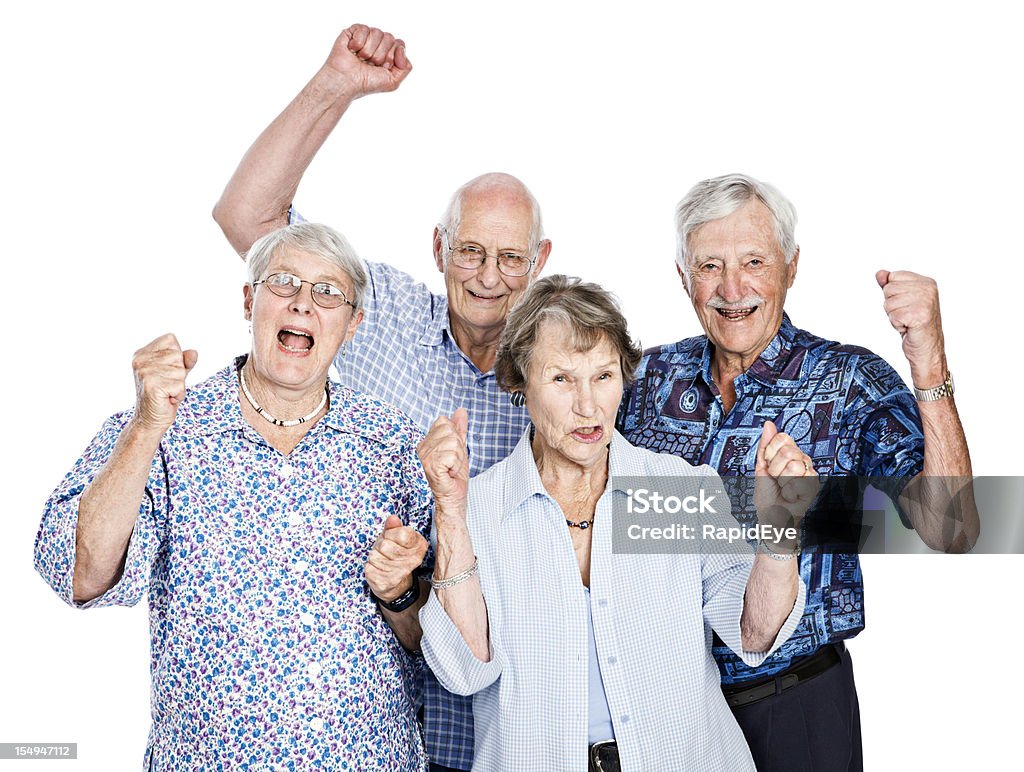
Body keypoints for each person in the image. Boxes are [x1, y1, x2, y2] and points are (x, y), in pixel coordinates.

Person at [212, 24, 551, 771]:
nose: (488, 276)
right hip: (368, 721)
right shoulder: (380, 315)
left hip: (512, 729)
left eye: (509, 258)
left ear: (541, 261)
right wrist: (336, 84)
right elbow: (248, 219)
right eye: (469, 252)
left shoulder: (563, 374)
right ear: (439, 249)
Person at [34, 223, 433, 770]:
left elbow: (437, 644)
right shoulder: (165, 426)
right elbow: (79, 574)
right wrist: (148, 425)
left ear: (353, 324)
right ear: (249, 301)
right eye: (284, 283)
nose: (303, 303)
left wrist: (399, 591)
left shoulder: (392, 444)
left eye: (328, 293)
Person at [618, 173, 978, 771]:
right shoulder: (645, 380)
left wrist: (928, 357)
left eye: (754, 261)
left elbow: (954, 529)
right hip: (669, 713)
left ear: (791, 265)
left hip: (797, 707)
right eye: (710, 265)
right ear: (683, 277)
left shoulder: (848, 380)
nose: (732, 287)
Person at [416, 275, 809, 771]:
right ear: (520, 382)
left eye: (603, 376)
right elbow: (463, 671)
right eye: (561, 379)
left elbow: (755, 633)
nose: (588, 405)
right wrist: (450, 511)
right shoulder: (479, 510)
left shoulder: (676, 489)